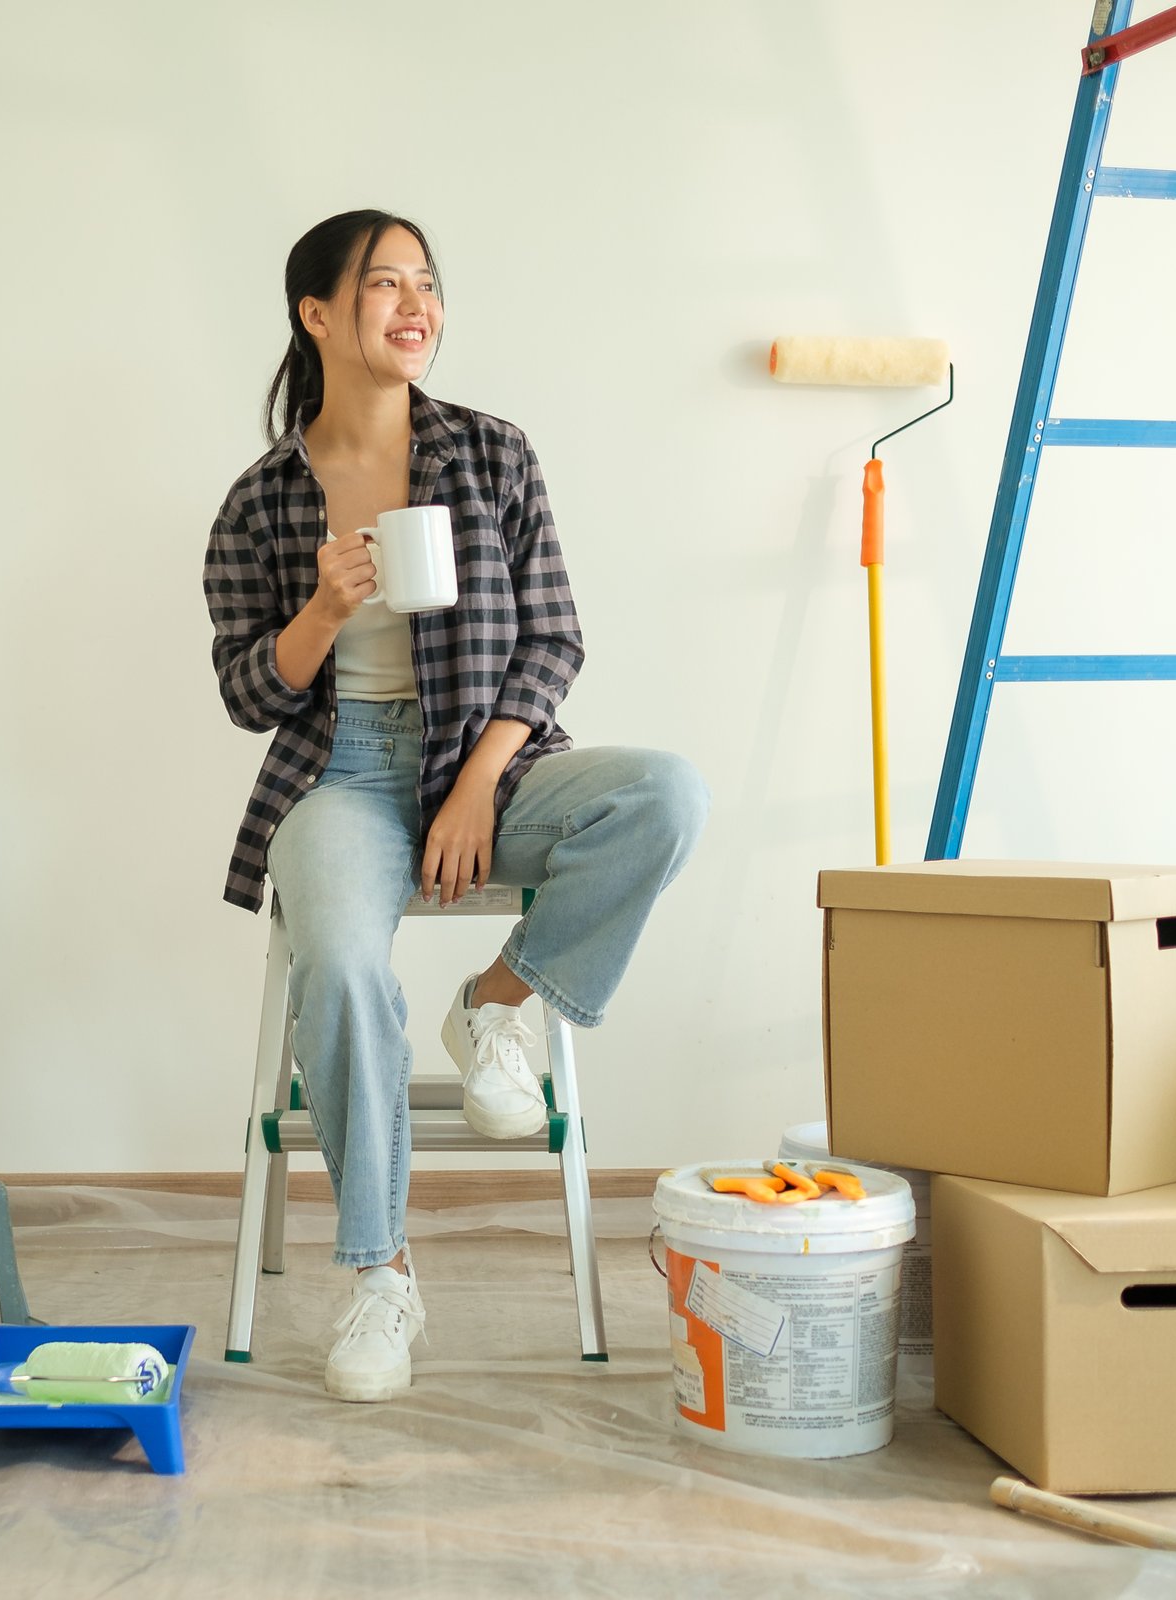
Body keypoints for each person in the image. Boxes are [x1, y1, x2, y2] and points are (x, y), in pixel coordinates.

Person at [201, 209, 708, 1403]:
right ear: (317, 314)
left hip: (497, 756)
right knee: (334, 957)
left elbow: (556, 637)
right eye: (384, 284)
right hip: (343, 773)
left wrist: (480, 780)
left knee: (663, 797)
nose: (414, 303)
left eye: (425, 282)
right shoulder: (262, 500)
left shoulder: (492, 453)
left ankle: (499, 1002)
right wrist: (323, 611)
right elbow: (243, 689)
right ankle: (379, 1272)